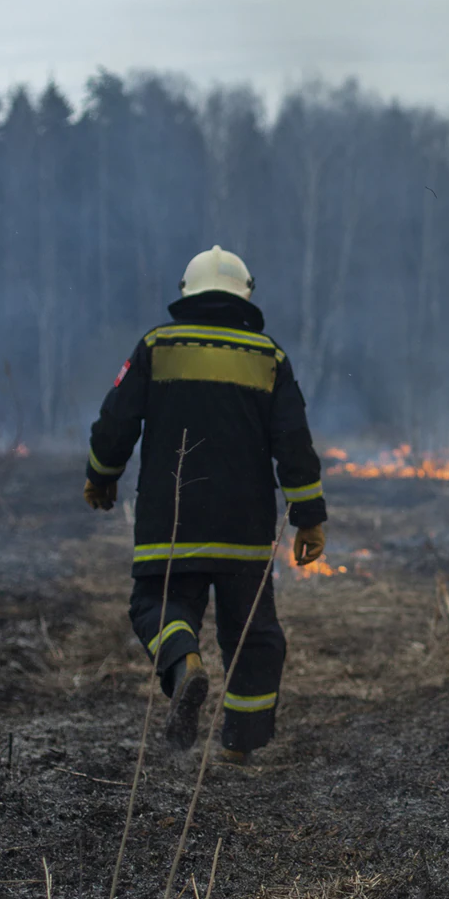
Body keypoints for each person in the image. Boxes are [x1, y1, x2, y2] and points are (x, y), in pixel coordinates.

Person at [82, 246, 327, 764]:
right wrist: (309, 516)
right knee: (252, 635)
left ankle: (184, 660)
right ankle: (241, 744)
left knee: (157, 606)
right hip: (245, 528)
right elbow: (293, 441)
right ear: (245, 296)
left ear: (186, 294)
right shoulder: (268, 356)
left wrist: (101, 477)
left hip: (171, 520)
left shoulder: (156, 346)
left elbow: (115, 423)